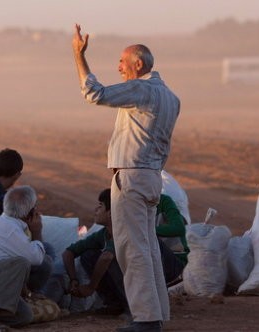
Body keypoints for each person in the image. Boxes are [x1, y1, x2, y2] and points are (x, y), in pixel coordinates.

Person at [72, 24, 181, 332]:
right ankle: (154, 315)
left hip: (131, 178)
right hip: (151, 177)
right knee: (146, 249)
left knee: (132, 250)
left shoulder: (141, 89)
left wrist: (78, 56)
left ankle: (145, 320)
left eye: (122, 62)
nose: (118, 67)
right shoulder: (171, 97)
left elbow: (94, 93)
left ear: (139, 65)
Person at [62, 189, 184, 316]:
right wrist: (73, 280)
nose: (95, 210)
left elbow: (106, 257)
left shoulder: (126, 229)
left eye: (100, 206)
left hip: (168, 274)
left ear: (111, 213)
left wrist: (90, 287)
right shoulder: (103, 234)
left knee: (112, 259)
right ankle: (116, 304)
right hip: (149, 274)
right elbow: (68, 253)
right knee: (89, 256)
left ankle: (133, 306)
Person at [0, 185, 53, 294]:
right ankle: (32, 295)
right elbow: (37, 259)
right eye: (35, 207)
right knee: (45, 263)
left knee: (47, 248)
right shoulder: (10, 229)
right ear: (30, 212)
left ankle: (32, 293)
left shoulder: (4, 220)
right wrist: (37, 231)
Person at [155, 194, 189, 265]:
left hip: (176, 258)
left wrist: (149, 231)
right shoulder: (132, 205)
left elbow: (179, 228)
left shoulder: (164, 200)